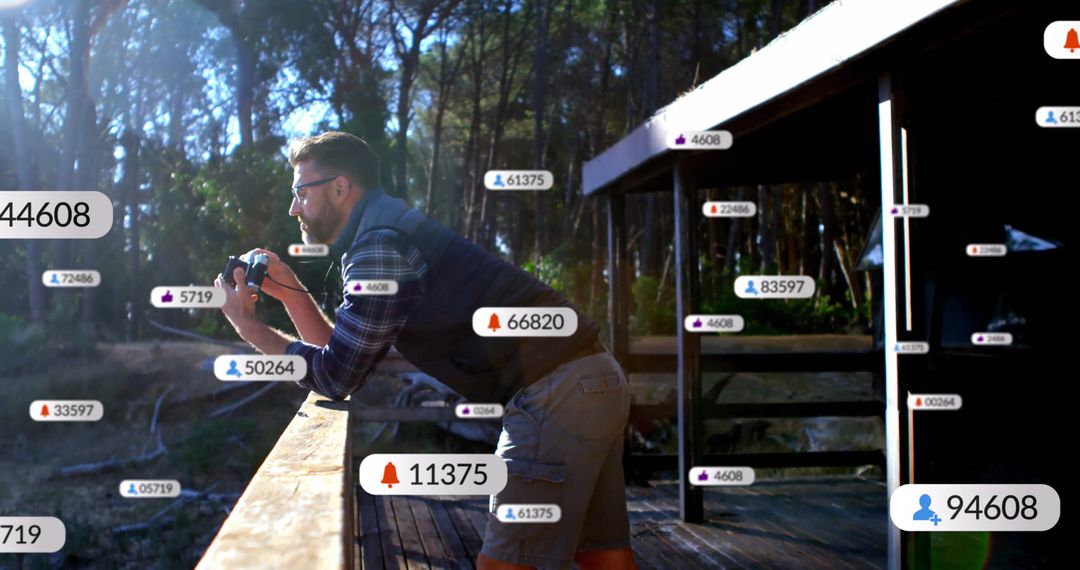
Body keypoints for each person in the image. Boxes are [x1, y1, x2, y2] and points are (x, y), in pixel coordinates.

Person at [215, 131, 636, 570]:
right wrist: (290, 292)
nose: (293, 207)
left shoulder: (379, 246)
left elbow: (338, 377)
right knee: (604, 558)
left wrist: (248, 326)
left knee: (503, 566)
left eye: (300, 191)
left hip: (555, 394)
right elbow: (339, 351)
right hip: (592, 380)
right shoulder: (387, 230)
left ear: (340, 188)